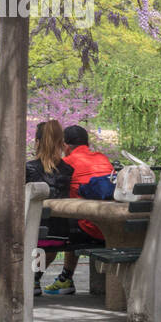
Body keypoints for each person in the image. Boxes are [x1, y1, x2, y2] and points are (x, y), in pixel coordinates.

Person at [41, 124, 113, 296]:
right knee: (73, 223)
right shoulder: (103, 158)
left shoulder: (66, 164)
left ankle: (34, 278)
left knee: (55, 229)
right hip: (110, 227)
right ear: (86, 144)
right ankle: (66, 277)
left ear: (65, 146)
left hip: (88, 229)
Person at [26, 119, 75, 295]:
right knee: (48, 243)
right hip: (60, 234)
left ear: (37, 142)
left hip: (34, 234)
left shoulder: (29, 168)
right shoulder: (68, 170)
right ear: (61, 143)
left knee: (37, 240)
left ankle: (32, 278)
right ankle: (35, 278)